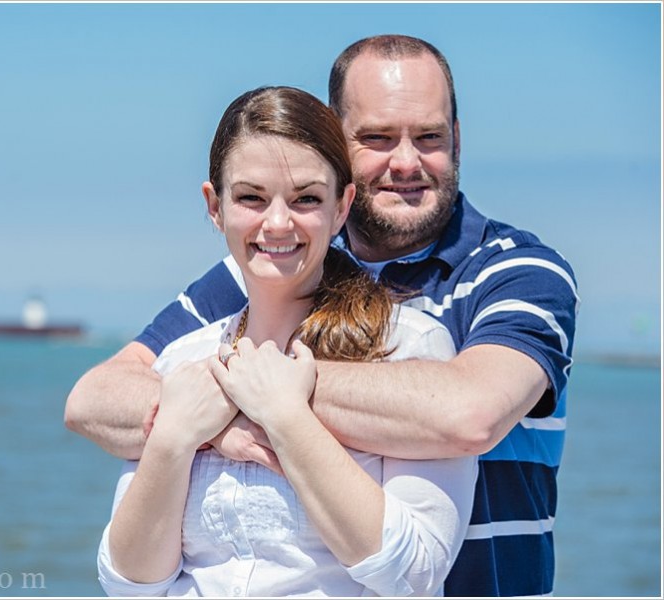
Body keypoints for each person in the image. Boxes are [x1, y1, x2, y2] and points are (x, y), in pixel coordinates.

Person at [66, 35, 579, 597]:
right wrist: (222, 421)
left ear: (456, 138)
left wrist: (266, 390)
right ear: (337, 140)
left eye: (429, 137)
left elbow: (467, 414)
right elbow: (97, 399)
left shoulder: (517, 270)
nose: (406, 161)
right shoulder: (266, 271)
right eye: (378, 137)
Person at [96, 85, 478, 597]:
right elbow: (128, 584)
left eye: (306, 199)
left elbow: (415, 575)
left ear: (342, 207)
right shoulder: (184, 359)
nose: (278, 223)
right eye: (251, 197)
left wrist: (287, 416)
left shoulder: (406, 348)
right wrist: (174, 436)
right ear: (215, 207)